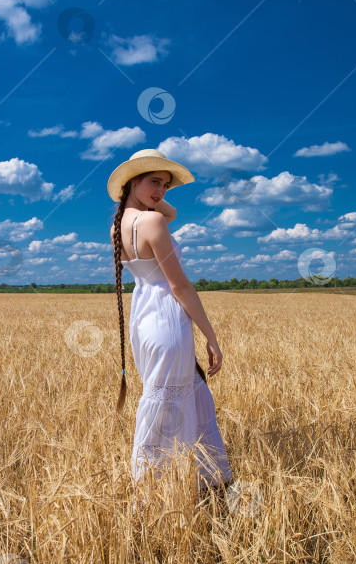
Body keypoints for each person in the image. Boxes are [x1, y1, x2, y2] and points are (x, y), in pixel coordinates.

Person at [107, 148, 233, 494]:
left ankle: (159, 484)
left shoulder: (120, 225)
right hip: (166, 317)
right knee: (171, 401)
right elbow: (180, 285)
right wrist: (211, 336)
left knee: (162, 399)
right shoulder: (152, 222)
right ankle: (154, 488)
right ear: (133, 181)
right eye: (153, 182)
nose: (161, 192)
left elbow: (168, 211)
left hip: (143, 317)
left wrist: (146, 194)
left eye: (165, 184)